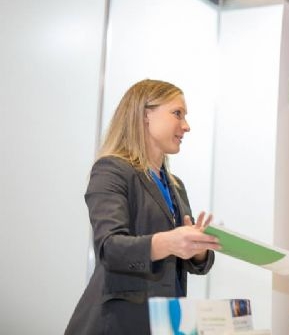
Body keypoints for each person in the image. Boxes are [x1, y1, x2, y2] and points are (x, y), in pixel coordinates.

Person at [65, 79, 220, 335]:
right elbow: (110, 248)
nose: (186, 126)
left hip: (166, 323)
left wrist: (198, 250)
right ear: (145, 114)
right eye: (177, 113)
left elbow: (188, 261)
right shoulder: (111, 170)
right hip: (117, 324)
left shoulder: (175, 185)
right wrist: (169, 242)